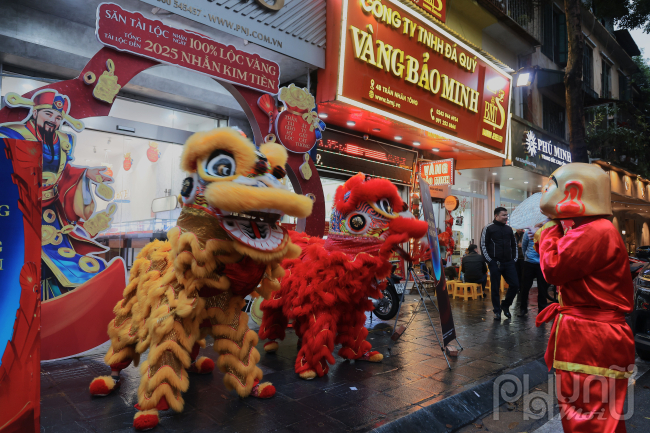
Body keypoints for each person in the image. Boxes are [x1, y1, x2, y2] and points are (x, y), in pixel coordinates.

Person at [535, 163, 634, 432]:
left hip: (590, 337)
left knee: (585, 415)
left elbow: (553, 268)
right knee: (600, 414)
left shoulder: (594, 230)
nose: (544, 192)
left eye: (549, 186)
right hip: (593, 334)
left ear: (573, 192)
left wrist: (547, 232)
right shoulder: (596, 229)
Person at [480, 207, 520, 320]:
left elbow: (514, 245)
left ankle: (505, 305)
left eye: (507, 215)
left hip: (509, 263)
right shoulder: (488, 228)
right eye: (504, 215)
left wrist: (514, 259)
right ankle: (497, 311)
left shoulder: (509, 229)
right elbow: (483, 245)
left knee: (515, 285)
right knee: (495, 288)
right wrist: (490, 261)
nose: (506, 217)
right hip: (495, 263)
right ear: (496, 216)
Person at [517, 223, 548, 316]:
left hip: (542, 263)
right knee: (525, 287)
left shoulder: (546, 232)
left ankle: (542, 310)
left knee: (543, 288)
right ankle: (523, 309)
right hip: (529, 262)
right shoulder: (528, 232)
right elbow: (524, 246)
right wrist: (527, 257)